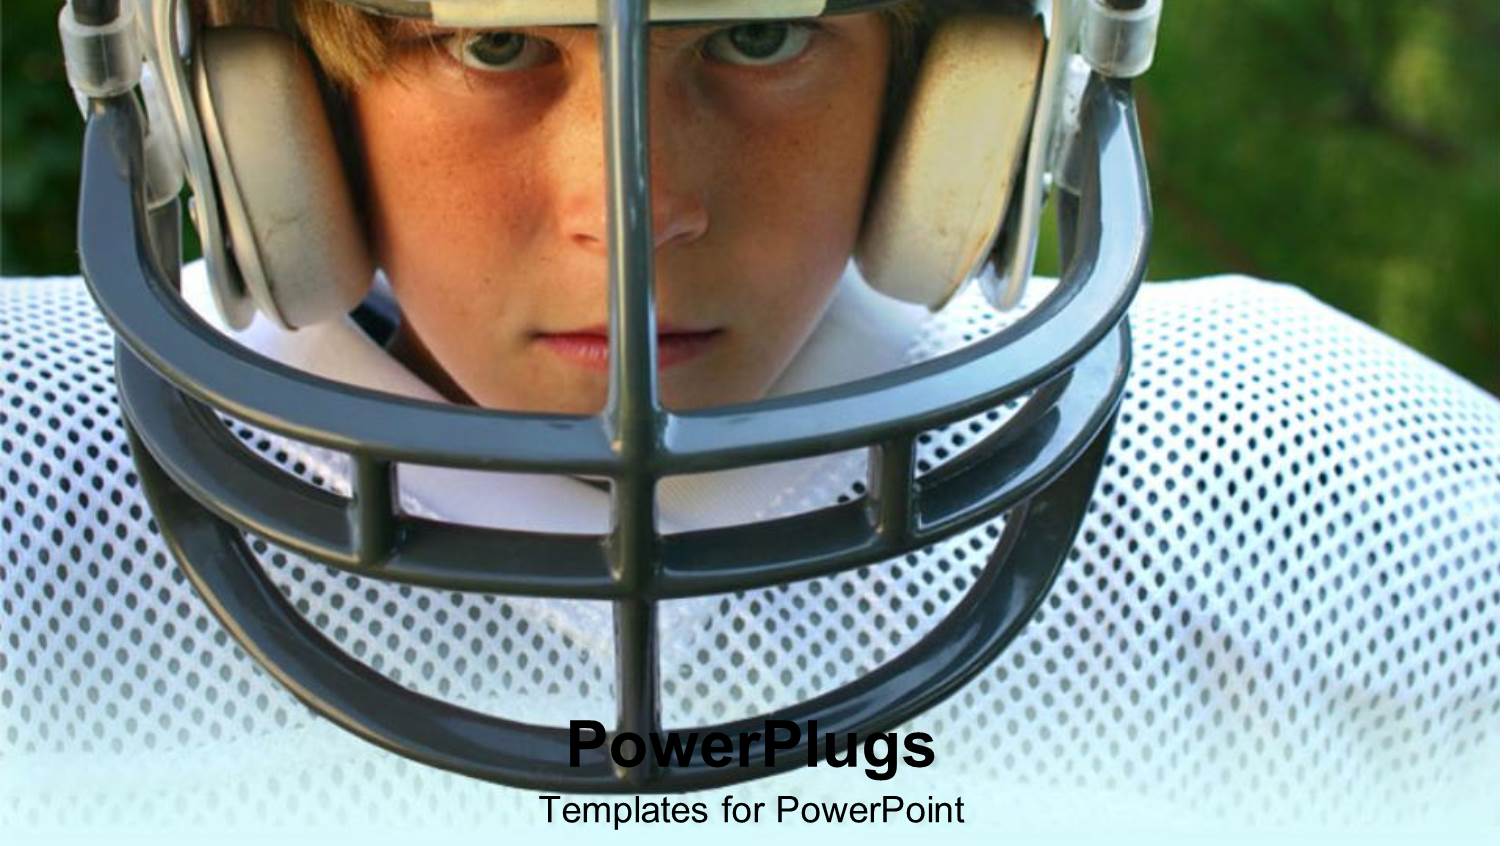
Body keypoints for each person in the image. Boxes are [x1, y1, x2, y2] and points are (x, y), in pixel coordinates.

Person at [3, 0, 1496, 841]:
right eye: (499, 46)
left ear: (967, 74)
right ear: (246, 90)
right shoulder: (34, 491)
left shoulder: (1310, 494)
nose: (641, 205)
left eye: (764, 35)